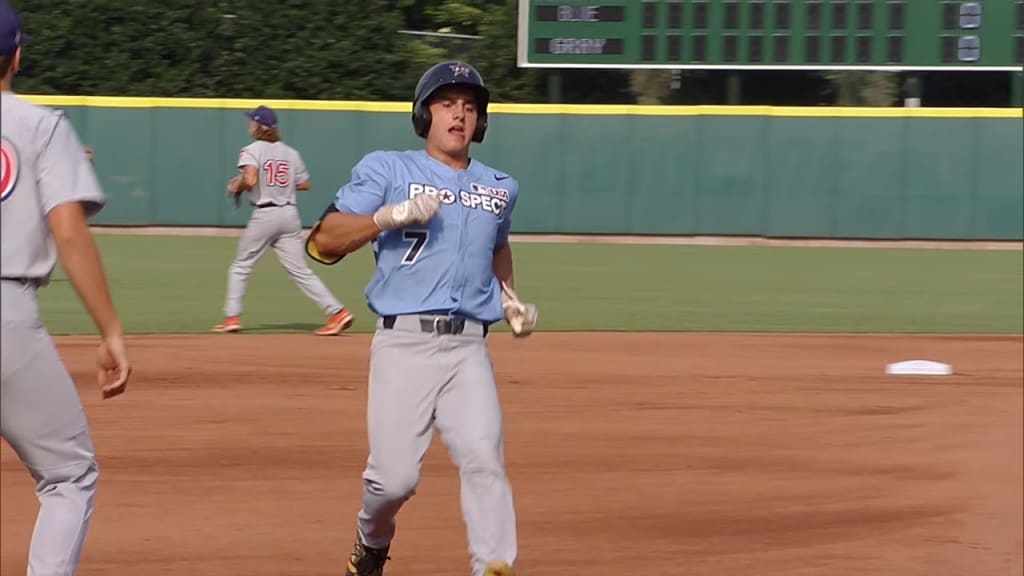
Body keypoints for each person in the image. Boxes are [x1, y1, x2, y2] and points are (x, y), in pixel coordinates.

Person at [305, 61, 537, 576]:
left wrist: (508, 298)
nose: (459, 113)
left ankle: (493, 565)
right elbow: (323, 241)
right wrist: (385, 216)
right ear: (424, 114)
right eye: (447, 103)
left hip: (468, 349)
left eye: (470, 106)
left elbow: (498, 246)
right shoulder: (387, 170)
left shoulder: (500, 186)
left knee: (483, 460)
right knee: (393, 482)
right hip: (403, 345)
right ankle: (371, 539)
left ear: (480, 122)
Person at [0, 2, 132, 574]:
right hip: (7, 318)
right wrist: (110, 331)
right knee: (67, 475)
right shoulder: (40, 125)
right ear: (17, 56)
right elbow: (69, 233)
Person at [214, 105, 354, 335]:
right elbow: (305, 184)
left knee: (241, 266)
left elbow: (249, 180)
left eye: (252, 121)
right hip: (289, 216)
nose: (249, 124)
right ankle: (337, 312)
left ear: (259, 126)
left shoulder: (251, 150)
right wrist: (278, 184)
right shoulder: (291, 152)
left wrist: (235, 185)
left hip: (266, 214)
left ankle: (231, 317)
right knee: (300, 271)